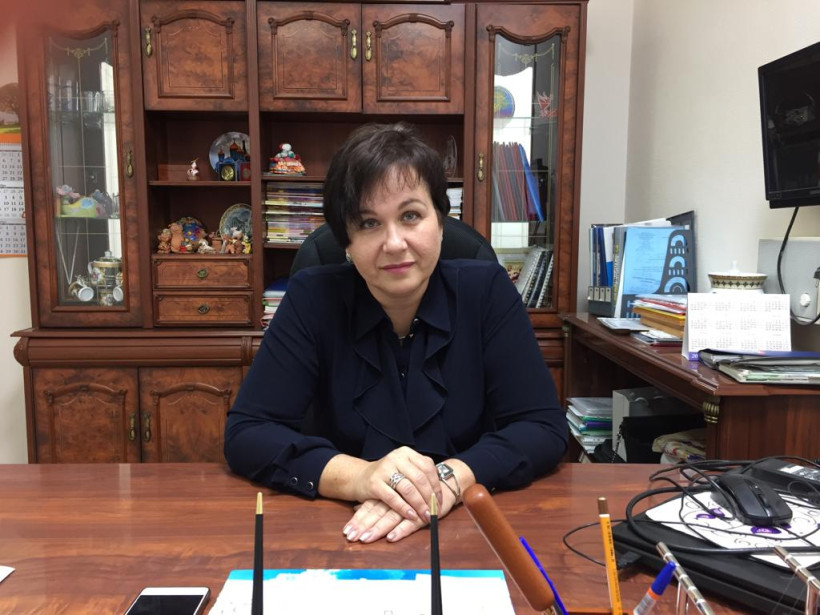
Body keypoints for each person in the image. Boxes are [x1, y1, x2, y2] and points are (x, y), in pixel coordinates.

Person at [224, 122, 567, 544]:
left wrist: (448, 480)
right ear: (346, 241)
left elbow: (543, 427)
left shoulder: (488, 291)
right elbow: (247, 434)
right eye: (368, 223)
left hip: (469, 530)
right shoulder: (312, 297)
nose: (394, 243)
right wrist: (360, 476)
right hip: (343, 530)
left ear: (440, 222)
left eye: (410, 216)